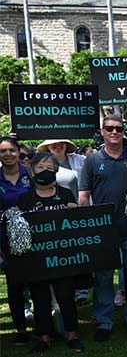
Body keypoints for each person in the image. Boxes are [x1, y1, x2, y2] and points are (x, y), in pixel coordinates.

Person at [79, 115, 127, 341]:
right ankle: (104, 322)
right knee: (103, 278)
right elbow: (83, 198)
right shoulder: (91, 161)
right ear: (102, 131)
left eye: (119, 128)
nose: (114, 132)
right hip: (103, 230)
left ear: (123, 131)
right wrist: (90, 226)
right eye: (110, 128)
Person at [16, 153, 85, 352]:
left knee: (65, 296)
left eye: (49, 167)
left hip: (63, 257)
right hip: (36, 258)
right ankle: (43, 337)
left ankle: (72, 335)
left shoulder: (65, 194)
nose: (44, 171)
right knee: (40, 298)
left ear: (55, 170)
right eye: (40, 167)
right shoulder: (25, 198)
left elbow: (78, 226)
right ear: (32, 170)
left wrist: (75, 212)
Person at [0, 137, 33, 346]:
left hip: (35, 236)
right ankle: (21, 329)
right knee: (15, 285)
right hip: (6, 240)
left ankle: (44, 328)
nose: (8, 154)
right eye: (3, 151)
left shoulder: (29, 174)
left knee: (38, 283)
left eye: (11, 150)